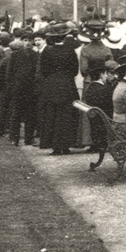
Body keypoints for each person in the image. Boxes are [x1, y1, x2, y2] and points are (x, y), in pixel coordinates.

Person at [36, 23, 80, 155]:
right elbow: (74, 70)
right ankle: (65, 145)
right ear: (64, 37)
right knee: (66, 116)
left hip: (51, 87)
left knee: (51, 116)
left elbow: (43, 70)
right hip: (67, 86)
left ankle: (54, 146)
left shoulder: (47, 51)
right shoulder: (70, 51)